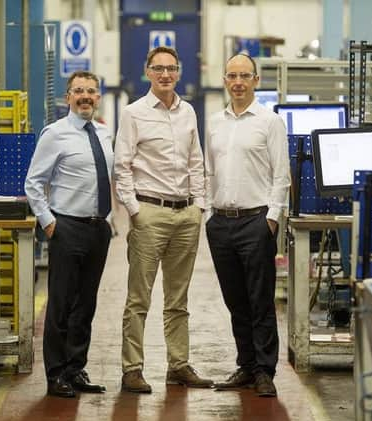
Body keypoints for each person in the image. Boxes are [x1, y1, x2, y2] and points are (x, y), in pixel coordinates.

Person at [113, 46, 213, 393]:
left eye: (171, 68)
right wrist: (135, 210)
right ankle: (132, 369)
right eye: (159, 69)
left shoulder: (188, 113)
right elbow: (121, 165)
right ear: (147, 72)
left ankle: (179, 365)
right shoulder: (133, 114)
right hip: (149, 213)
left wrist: (199, 206)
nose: (166, 75)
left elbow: (196, 162)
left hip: (186, 214)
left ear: (179, 71)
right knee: (139, 298)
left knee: (178, 299)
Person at [204, 54, 290, 397]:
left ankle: (265, 371)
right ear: (225, 80)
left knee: (260, 299)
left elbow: (281, 175)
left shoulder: (270, 122)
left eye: (244, 76)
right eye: (231, 76)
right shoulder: (213, 122)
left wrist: (271, 219)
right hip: (221, 223)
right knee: (235, 300)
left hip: (256, 221)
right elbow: (208, 171)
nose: (237, 82)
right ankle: (246, 365)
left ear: (256, 80)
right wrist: (206, 211)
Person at [25, 70, 113, 398]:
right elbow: (33, 182)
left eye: (91, 91)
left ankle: (76, 369)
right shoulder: (55, 134)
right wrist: (49, 222)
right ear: (68, 97)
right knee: (61, 304)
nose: (85, 96)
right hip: (67, 227)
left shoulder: (104, 134)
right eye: (79, 91)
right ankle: (56, 374)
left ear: (98, 97)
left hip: (98, 229)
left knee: (85, 305)